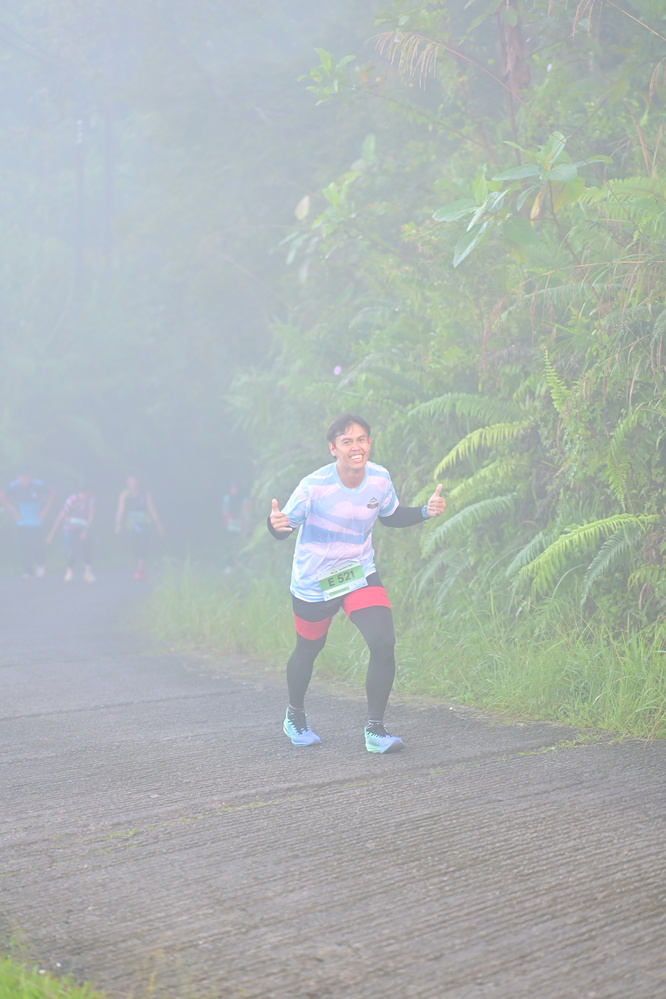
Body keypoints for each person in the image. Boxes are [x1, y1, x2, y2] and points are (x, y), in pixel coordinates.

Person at [268, 413, 446, 754]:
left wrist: (425, 511)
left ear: (369, 443)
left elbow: (390, 516)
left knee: (383, 642)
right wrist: (274, 525)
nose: (356, 447)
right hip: (314, 580)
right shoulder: (313, 486)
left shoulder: (379, 478)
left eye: (361, 439)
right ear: (333, 448)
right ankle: (295, 715)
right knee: (308, 649)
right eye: (347, 441)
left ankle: (375, 730)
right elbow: (283, 527)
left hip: (358, 574)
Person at [1, 472, 55, 578]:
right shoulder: (14, 485)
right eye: (20, 479)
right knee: (24, 547)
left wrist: (46, 510)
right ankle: (28, 571)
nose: (23, 482)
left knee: (36, 545)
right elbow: (2, 494)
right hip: (22, 522)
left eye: (25, 479)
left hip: (36, 521)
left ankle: (40, 565)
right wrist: (13, 510)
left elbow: (52, 492)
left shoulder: (39, 484)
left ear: (30, 477)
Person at [115, 476, 164, 579]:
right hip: (132, 525)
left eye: (133, 481)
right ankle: (143, 566)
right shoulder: (124, 495)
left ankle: (140, 570)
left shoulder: (145, 494)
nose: (131, 483)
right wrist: (118, 524)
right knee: (136, 546)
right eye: (129, 481)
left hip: (145, 524)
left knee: (142, 543)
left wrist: (159, 526)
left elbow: (152, 509)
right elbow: (121, 509)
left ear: (138, 482)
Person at [46, 485, 95, 582]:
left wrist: (86, 530)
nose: (92, 492)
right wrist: (51, 534)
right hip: (70, 527)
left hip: (83, 526)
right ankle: (69, 572)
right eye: (91, 490)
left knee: (87, 547)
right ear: (87, 490)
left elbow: (91, 515)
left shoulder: (90, 500)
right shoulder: (71, 501)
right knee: (73, 549)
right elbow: (60, 516)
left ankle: (88, 573)